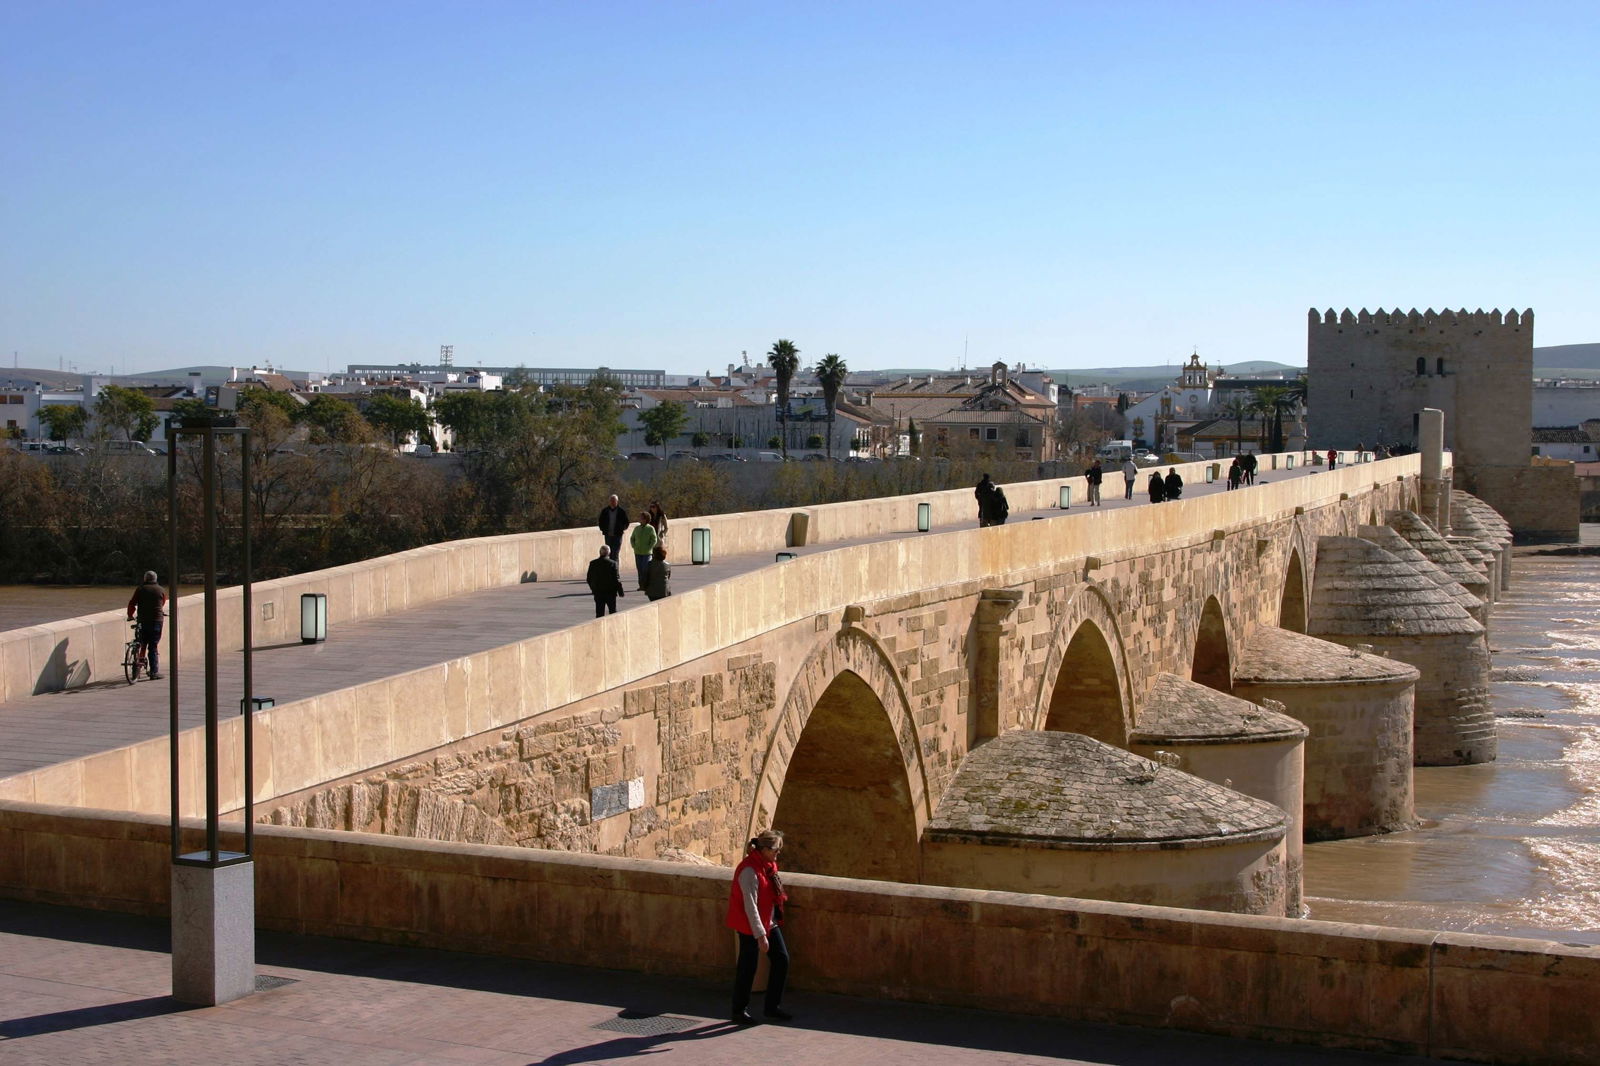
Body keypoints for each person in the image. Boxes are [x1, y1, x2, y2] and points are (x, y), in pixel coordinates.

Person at [727, 828, 791, 1025]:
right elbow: (750, 906)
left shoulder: (768, 867)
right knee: (748, 967)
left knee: (782, 959)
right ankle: (739, 1010)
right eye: (775, 850)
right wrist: (761, 935)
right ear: (763, 849)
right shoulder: (749, 871)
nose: (777, 854)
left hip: (767, 921)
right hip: (750, 925)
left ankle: (772, 1007)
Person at [126, 570, 167, 680]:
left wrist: (130, 615)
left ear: (145, 579)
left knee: (142, 642)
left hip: (143, 620)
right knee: (153, 646)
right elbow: (162, 603)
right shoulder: (161, 590)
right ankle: (153, 672)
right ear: (155, 579)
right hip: (156, 621)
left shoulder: (140, 589)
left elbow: (132, 603)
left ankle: (138, 663)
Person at [585, 545, 625, 617]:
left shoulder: (593, 563)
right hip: (610, 592)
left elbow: (589, 578)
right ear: (609, 553)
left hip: (598, 592)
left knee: (599, 613)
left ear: (600, 553)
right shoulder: (613, 563)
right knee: (612, 612)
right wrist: (620, 591)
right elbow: (616, 579)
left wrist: (593, 589)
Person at [629, 511, 657, 591]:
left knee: (645, 569)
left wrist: (649, 547)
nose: (639, 519)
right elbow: (632, 538)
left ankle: (647, 585)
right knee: (640, 569)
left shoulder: (650, 528)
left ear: (645, 519)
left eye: (641, 517)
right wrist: (634, 546)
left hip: (647, 553)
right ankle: (641, 585)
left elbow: (654, 539)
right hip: (637, 552)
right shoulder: (637, 528)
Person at [597, 494, 628, 564]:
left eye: (614, 501)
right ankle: (609, 570)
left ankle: (615, 571)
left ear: (617, 501)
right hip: (608, 535)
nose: (612, 502)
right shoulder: (605, 511)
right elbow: (600, 521)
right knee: (608, 554)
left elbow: (626, 522)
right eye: (611, 501)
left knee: (615, 554)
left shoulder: (621, 511)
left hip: (618, 536)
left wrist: (621, 529)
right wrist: (603, 529)